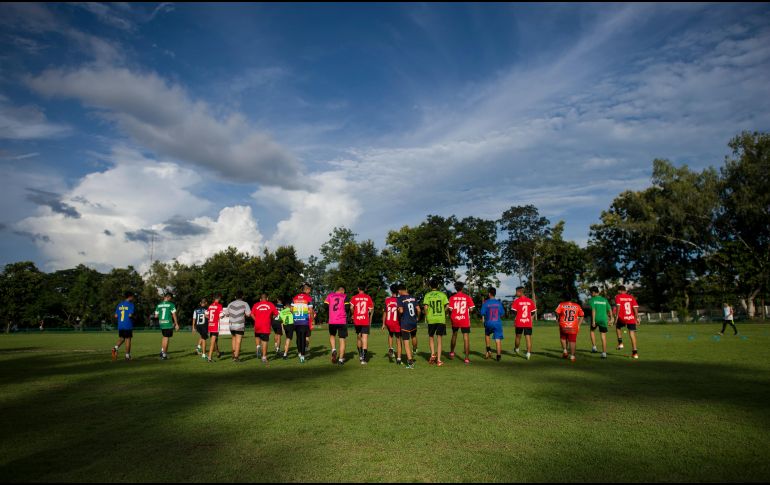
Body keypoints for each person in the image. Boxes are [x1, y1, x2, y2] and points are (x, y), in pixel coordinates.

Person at [422, 278, 449, 366]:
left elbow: (425, 308)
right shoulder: (442, 294)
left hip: (431, 319)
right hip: (440, 319)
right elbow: (447, 306)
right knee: (439, 339)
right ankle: (439, 360)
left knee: (431, 337)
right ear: (438, 286)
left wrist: (427, 315)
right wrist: (443, 311)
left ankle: (433, 354)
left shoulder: (427, 295)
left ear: (430, 286)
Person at [448, 281, 475, 364]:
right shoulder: (467, 297)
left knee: (454, 334)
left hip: (455, 319)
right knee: (466, 337)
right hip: (464, 319)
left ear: (455, 288)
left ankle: (452, 352)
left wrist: (451, 316)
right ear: (462, 288)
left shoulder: (452, 298)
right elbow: (471, 309)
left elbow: (450, 309)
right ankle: (466, 358)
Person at [397, 284, 421, 369]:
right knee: (413, 335)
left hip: (405, 322)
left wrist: (399, 314)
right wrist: (417, 317)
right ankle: (415, 349)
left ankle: (410, 362)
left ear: (399, 291)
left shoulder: (400, 298)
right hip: (413, 321)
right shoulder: (413, 297)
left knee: (406, 342)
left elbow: (401, 310)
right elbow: (418, 309)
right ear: (406, 289)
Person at [251, 294, 279, 365]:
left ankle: (258, 347)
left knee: (257, 336)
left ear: (260, 299)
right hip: (265, 325)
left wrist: (256, 320)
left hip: (257, 325)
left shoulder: (256, 304)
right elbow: (276, 313)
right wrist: (271, 318)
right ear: (267, 298)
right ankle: (264, 357)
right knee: (265, 341)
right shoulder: (270, 304)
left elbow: (251, 314)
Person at [350, 283, 375, 365]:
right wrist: (370, 318)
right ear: (365, 289)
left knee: (358, 337)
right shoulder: (368, 298)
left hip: (357, 320)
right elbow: (371, 310)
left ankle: (360, 354)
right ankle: (363, 359)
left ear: (358, 289)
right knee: (365, 338)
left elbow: (351, 307)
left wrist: (353, 314)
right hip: (365, 320)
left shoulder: (354, 297)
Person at [613, 286, 640, 359]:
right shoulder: (631, 297)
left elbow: (618, 307)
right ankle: (635, 353)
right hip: (631, 318)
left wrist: (616, 318)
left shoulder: (618, 297)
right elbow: (635, 308)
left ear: (620, 291)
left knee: (618, 327)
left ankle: (620, 343)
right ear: (625, 290)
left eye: (618, 291)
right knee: (632, 334)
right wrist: (637, 317)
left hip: (622, 318)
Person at [510, 286, 536, 360]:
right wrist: (531, 319)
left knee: (518, 337)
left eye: (516, 292)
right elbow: (533, 312)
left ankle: (517, 348)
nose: (516, 293)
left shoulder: (516, 301)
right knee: (528, 338)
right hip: (528, 322)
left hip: (519, 322)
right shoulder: (530, 301)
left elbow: (514, 312)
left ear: (520, 292)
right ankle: (528, 353)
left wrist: (516, 317)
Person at [325, 285, 349, 365]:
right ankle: (340, 360)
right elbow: (347, 308)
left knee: (332, 335)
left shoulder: (330, 296)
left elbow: (325, 306)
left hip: (332, 320)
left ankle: (333, 349)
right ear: (342, 291)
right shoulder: (344, 296)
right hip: (342, 320)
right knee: (342, 339)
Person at [555, 295, 584, 362]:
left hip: (563, 325)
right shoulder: (577, 305)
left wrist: (558, 318)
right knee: (572, 341)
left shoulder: (561, 305)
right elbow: (582, 315)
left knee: (563, 338)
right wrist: (579, 325)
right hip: (573, 326)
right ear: (571, 299)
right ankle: (572, 356)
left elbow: (557, 312)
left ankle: (565, 351)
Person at [291, 283, 315, 363]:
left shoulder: (294, 298)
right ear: (306, 290)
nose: (310, 291)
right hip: (304, 321)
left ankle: (299, 353)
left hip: (296, 321)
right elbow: (311, 311)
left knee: (298, 337)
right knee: (303, 337)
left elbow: (291, 309)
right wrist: (313, 320)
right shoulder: (308, 298)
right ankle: (302, 355)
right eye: (309, 290)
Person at [480, 287, 505, 361]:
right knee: (498, 339)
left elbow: (482, 313)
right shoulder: (499, 303)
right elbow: (502, 314)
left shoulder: (486, 303)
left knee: (487, 334)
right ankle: (498, 356)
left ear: (489, 294)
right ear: (495, 293)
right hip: (497, 323)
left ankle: (488, 349)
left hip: (488, 322)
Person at [587, 287, 613, 358]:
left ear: (594, 292)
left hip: (596, 319)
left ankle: (594, 347)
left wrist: (593, 321)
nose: (591, 294)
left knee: (592, 331)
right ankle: (604, 353)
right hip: (604, 319)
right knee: (603, 335)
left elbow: (593, 310)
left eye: (591, 293)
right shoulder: (604, 300)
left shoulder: (592, 300)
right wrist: (611, 318)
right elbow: (610, 309)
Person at [226, 291, 251, 363]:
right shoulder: (245, 304)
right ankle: (236, 357)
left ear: (235, 297)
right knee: (238, 340)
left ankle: (233, 354)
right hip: (239, 324)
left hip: (231, 325)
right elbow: (248, 314)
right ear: (242, 296)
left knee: (233, 339)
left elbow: (227, 314)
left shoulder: (230, 304)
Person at [155, 292, 179, 360]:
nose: (171, 299)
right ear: (168, 297)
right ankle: (164, 355)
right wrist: (176, 324)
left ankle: (162, 352)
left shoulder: (159, 305)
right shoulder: (171, 304)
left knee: (164, 337)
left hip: (161, 323)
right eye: (171, 298)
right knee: (166, 338)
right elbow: (174, 314)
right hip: (168, 323)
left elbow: (156, 316)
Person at [112, 291, 135, 361]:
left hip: (120, 325)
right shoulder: (131, 305)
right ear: (130, 296)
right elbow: (130, 315)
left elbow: (115, 316)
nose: (133, 298)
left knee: (122, 338)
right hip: (127, 324)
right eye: (133, 296)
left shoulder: (119, 304)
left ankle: (115, 348)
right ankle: (127, 356)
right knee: (128, 339)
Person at [382, 284, 403, 364]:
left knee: (390, 334)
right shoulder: (400, 300)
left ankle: (391, 348)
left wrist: (383, 323)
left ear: (391, 291)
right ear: (398, 291)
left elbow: (385, 312)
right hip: (396, 322)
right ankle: (398, 359)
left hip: (388, 321)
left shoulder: (387, 300)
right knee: (398, 339)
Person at [206, 295, 224, 362]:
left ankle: (218, 352)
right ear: (218, 299)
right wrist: (217, 319)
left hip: (210, 325)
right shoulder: (219, 306)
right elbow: (221, 316)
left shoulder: (210, 306)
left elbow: (206, 315)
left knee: (215, 340)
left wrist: (211, 319)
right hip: (215, 325)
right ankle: (209, 358)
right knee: (213, 341)